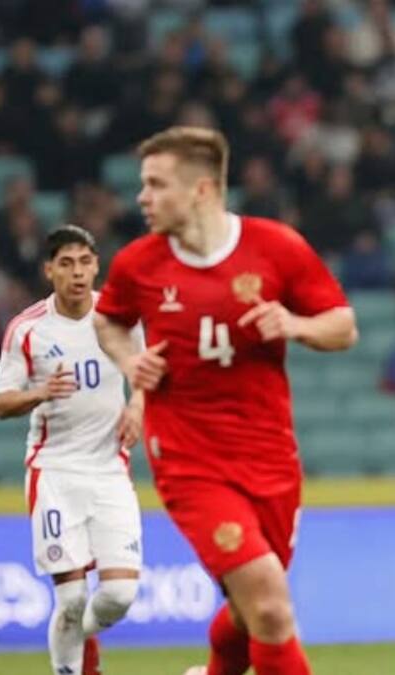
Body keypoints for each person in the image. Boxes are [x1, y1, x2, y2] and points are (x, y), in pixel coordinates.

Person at [92, 127, 357, 675]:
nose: (141, 197)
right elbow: (108, 322)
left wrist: (295, 324)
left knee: (248, 605)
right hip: (189, 460)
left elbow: (344, 327)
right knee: (269, 605)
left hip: (270, 455)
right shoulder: (138, 264)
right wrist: (127, 363)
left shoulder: (275, 247)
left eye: (155, 184)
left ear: (202, 190)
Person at [0, 225, 144, 675]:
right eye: (66, 263)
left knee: (117, 597)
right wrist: (39, 392)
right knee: (73, 597)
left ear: (96, 266)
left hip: (110, 471)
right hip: (54, 470)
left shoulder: (120, 317)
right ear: (49, 270)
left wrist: (137, 404)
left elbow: (150, 374)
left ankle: (80, 640)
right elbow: (1, 403)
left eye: (84, 262)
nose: (77, 273)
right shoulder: (28, 329)